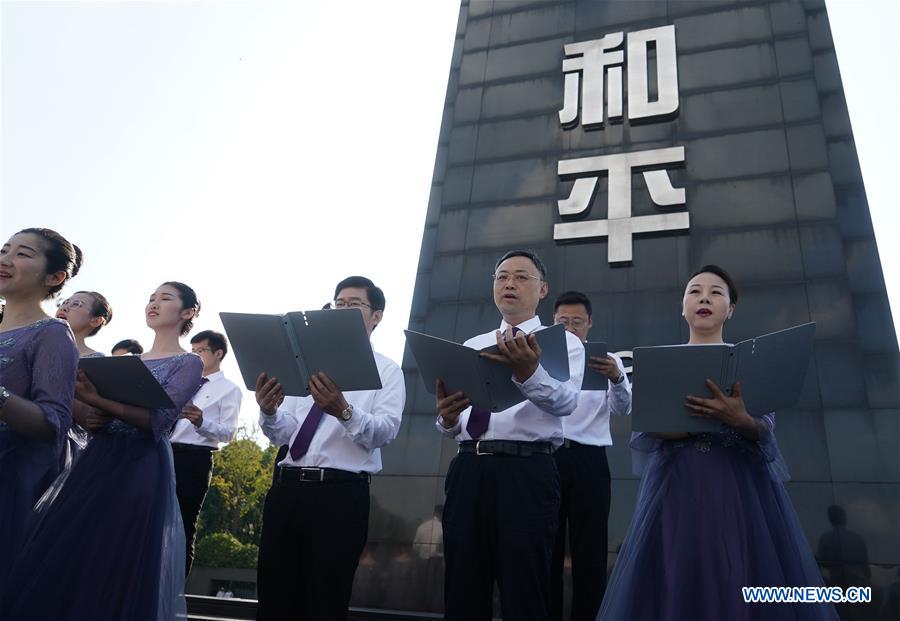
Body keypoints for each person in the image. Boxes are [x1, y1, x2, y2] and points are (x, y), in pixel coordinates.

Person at [597, 265, 838, 621]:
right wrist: (712, 421)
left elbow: (763, 428)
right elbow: (647, 427)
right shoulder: (662, 363)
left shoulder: (752, 361)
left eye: (716, 292)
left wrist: (741, 420)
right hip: (675, 489)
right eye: (694, 291)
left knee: (738, 570)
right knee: (677, 573)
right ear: (683, 307)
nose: (704, 297)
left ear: (730, 308)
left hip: (738, 488)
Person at [2, 281, 204, 621]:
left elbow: (159, 418)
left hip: (141, 463)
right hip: (97, 457)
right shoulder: (127, 361)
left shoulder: (190, 362)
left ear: (188, 313)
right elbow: (88, 417)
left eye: (165, 299)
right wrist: (91, 410)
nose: (153, 303)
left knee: (118, 551)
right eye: (151, 297)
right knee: (71, 547)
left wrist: (96, 399)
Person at [435, 250, 584, 621]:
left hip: (528, 473)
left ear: (543, 289)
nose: (509, 284)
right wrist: (449, 418)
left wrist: (529, 372)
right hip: (469, 469)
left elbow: (566, 403)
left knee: (525, 590)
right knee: (463, 588)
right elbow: (456, 424)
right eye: (502, 277)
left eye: (521, 277)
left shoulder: (563, 344)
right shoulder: (472, 345)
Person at [254, 276, 405, 620]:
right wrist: (268, 410)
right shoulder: (302, 366)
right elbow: (282, 435)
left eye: (354, 305)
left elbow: (385, 432)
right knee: (274, 597)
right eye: (339, 303)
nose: (343, 310)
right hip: (287, 490)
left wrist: (345, 411)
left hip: (340, 495)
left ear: (376, 316)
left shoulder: (387, 371)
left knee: (325, 598)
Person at [0, 228, 81, 596]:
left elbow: (54, 422)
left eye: (23, 253)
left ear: (55, 277)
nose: (5, 259)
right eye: (4, 249)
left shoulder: (51, 334)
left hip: (11, 484)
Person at [549, 291, 630, 621]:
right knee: (546, 551)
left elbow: (623, 409)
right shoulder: (542, 359)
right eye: (562, 322)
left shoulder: (607, 360)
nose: (569, 328)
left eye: (576, 322)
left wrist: (617, 378)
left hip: (590, 462)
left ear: (590, 324)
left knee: (590, 553)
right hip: (549, 458)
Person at [170, 329, 242, 575]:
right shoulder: (183, 383)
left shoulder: (229, 389)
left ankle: (176, 591)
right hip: (164, 452)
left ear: (218, 353)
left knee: (183, 524)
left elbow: (229, 433)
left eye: (200, 351)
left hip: (194, 459)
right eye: (192, 351)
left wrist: (201, 422)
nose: (194, 356)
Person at [55, 291, 114, 458]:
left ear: (96, 320)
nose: (65, 307)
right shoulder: (35, 345)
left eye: (76, 304)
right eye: (64, 302)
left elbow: (94, 417)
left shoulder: (97, 362)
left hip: (61, 445)